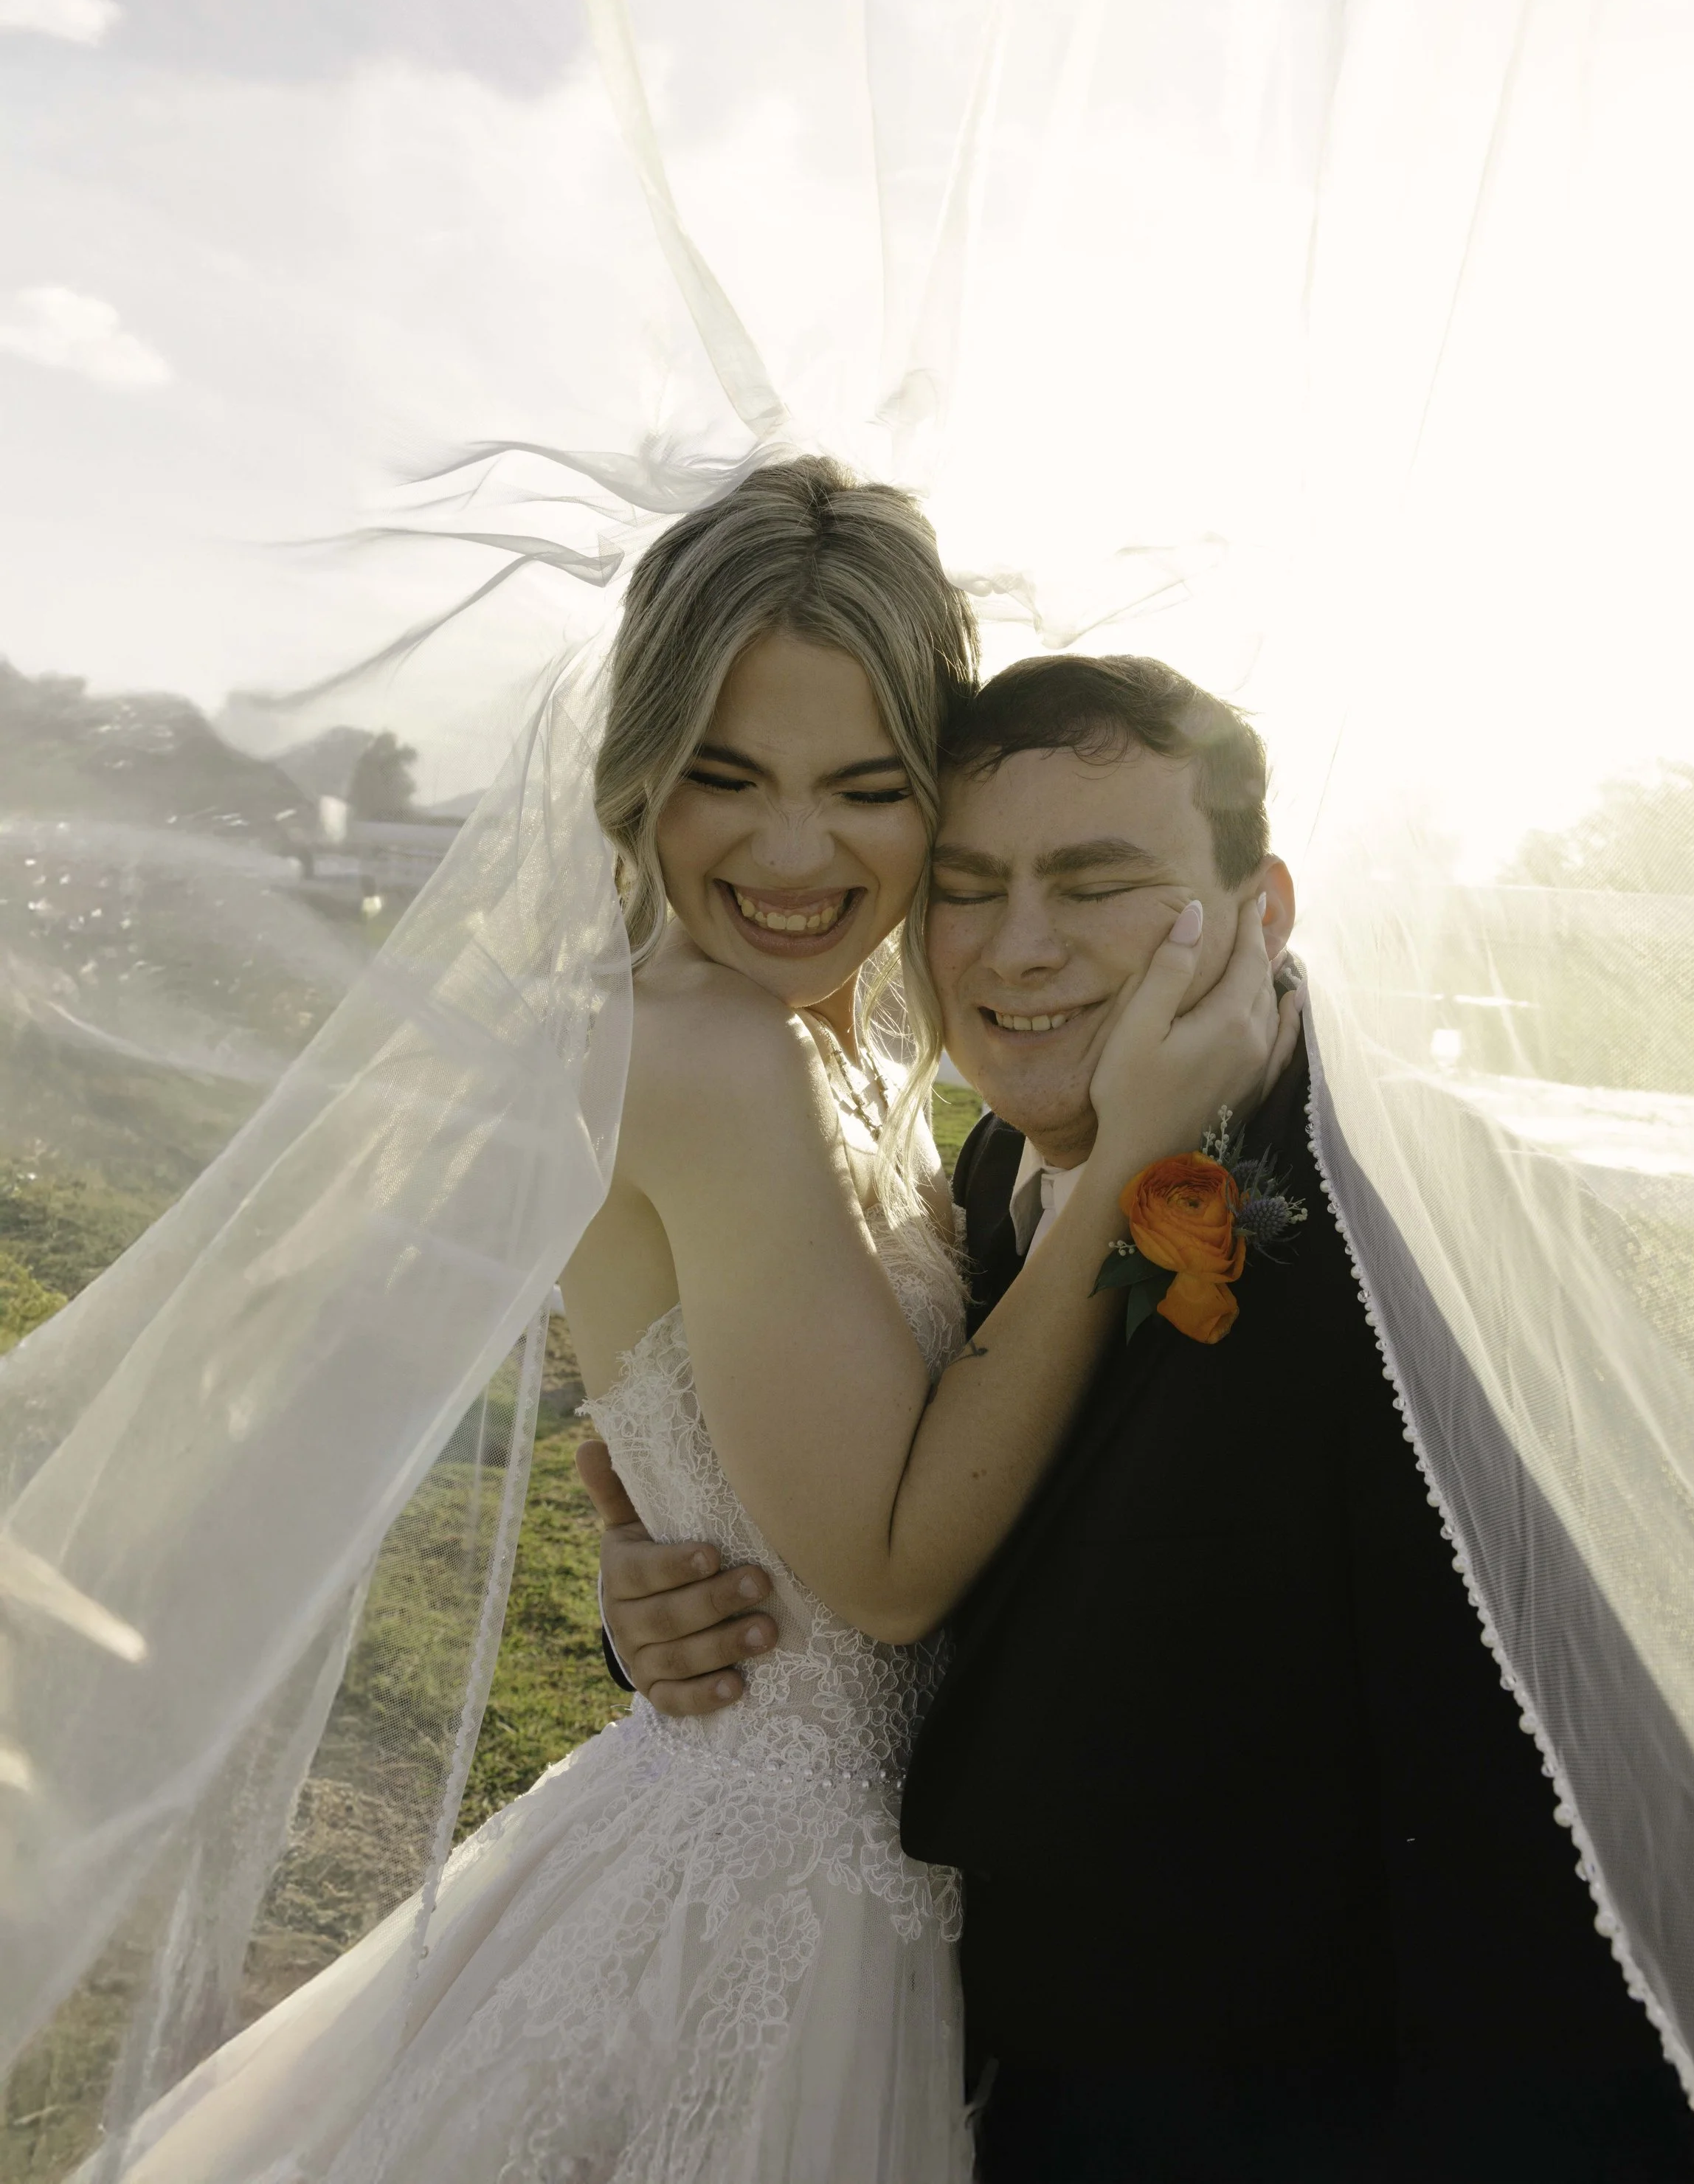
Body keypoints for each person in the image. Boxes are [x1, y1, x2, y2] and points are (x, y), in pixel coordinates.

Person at [95, 469, 1290, 2184]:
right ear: (639, 767)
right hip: (775, 1906)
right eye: (725, 777)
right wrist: (1129, 1169)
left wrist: (650, 1552)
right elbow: (885, 1570)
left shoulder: (817, 1034)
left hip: (826, 1852)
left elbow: (777, 1448)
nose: (794, 854)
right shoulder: (704, 1047)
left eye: (864, 788)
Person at [595, 652, 1694, 2183]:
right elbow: (921, 1519)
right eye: (968, 886)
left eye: (1098, 882)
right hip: (956, 2094)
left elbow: (1610, 1878)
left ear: (1264, 910)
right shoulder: (994, 1175)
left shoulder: (1449, 1265)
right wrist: (691, 1601)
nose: (1019, 946)